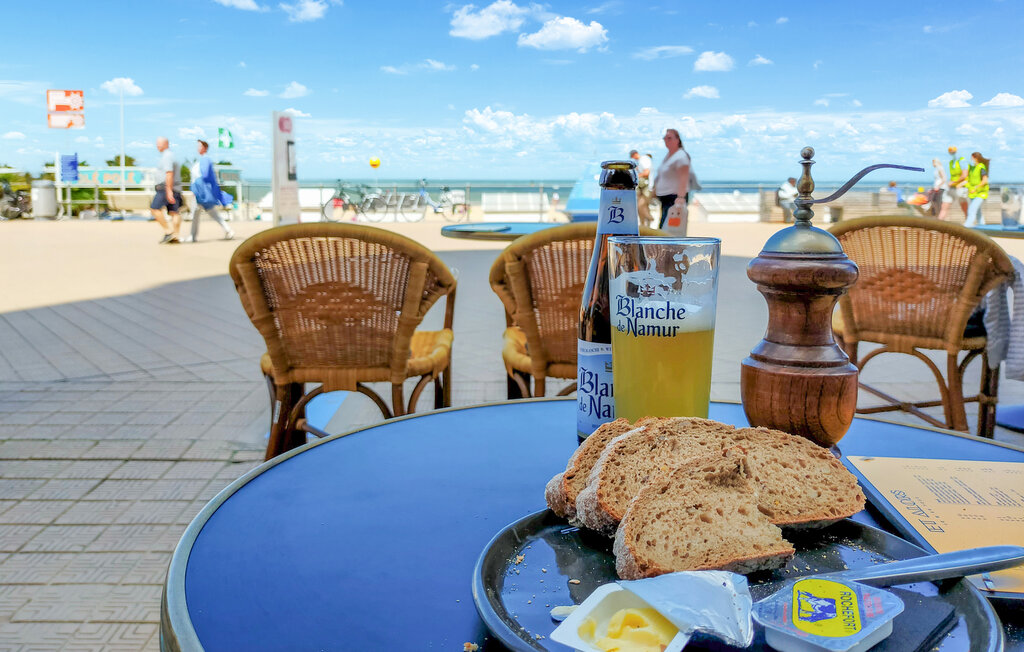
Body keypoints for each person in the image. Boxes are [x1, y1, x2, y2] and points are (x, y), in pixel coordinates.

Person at [185, 139, 235, 242]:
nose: (198, 148)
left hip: (200, 193)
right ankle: (227, 230)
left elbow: (205, 177)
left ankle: (193, 236)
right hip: (200, 192)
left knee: (202, 213)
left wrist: (197, 190)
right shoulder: (203, 160)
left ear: (205, 148)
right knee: (203, 213)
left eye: (199, 146)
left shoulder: (205, 160)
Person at [651, 129, 690, 232]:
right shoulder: (669, 156)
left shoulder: (681, 156)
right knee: (665, 228)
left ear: (677, 140)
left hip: (674, 199)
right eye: (665, 138)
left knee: (670, 230)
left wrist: (680, 197)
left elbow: (684, 177)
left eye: (669, 138)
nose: (666, 141)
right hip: (666, 199)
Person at [151, 137, 184, 244]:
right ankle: (176, 236)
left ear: (166, 144)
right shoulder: (172, 155)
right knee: (174, 212)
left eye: (159, 144)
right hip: (175, 187)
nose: (157, 146)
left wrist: (169, 191)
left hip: (165, 188)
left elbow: (169, 173)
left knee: (155, 208)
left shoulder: (167, 156)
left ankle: (168, 232)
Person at [964, 152, 990, 227]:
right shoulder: (971, 168)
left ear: (976, 158)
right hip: (973, 194)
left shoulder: (981, 167)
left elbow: (985, 180)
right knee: (978, 212)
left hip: (981, 193)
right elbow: (969, 180)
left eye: (971, 158)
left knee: (971, 210)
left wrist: (976, 188)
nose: (970, 159)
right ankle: (983, 227)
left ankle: (966, 227)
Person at [942, 146, 969, 220]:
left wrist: (954, 182)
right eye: (950, 152)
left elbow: (964, 175)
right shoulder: (951, 162)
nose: (952, 153)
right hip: (952, 187)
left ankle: (968, 221)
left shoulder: (962, 160)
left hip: (960, 187)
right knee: (944, 206)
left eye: (953, 152)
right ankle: (939, 224)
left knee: (963, 206)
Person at [630, 149, 654, 227]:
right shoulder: (641, 161)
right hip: (644, 188)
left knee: (641, 206)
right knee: (643, 206)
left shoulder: (643, 159)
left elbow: (646, 173)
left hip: (646, 187)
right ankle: (644, 225)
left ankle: (650, 219)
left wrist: (637, 176)